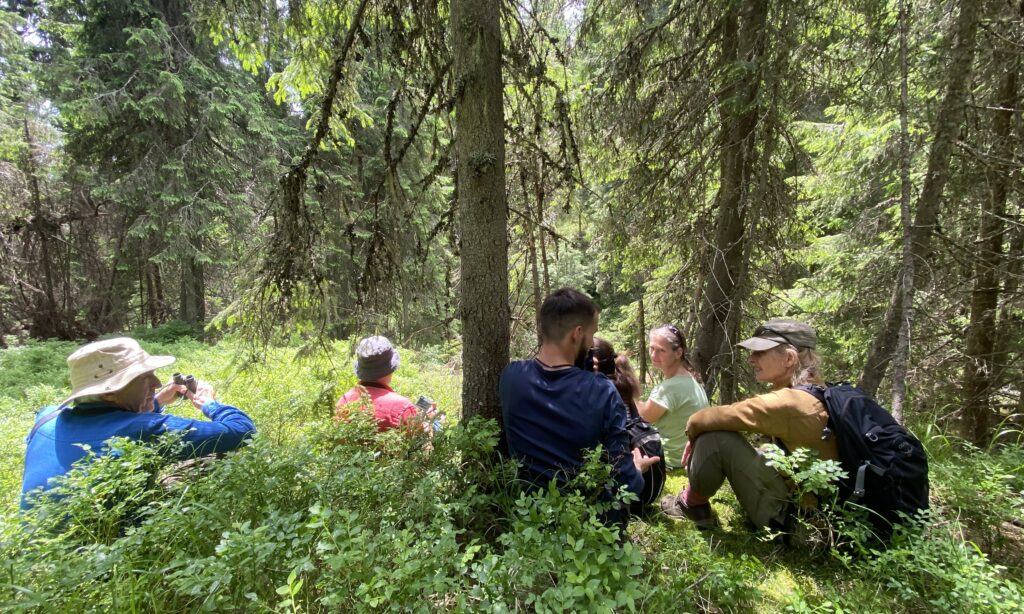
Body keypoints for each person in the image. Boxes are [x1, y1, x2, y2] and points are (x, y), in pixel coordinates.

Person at [21, 337, 256, 508]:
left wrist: (152, 401)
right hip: (109, 559)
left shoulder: (46, 418)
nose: (156, 382)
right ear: (110, 392)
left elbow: (103, 422)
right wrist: (209, 404)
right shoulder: (143, 430)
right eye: (144, 378)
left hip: (38, 557)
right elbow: (242, 431)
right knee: (217, 458)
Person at [500, 288, 660, 525]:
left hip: (528, 518)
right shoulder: (602, 391)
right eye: (591, 334)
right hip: (588, 525)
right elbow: (626, 484)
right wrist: (638, 469)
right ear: (577, 334)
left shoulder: (511, 376)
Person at [660, 318, 838, 531]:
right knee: (759, 449)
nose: (752, 359)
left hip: (796, 523)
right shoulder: (819, 392)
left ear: (789, 358)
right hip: (817, 515)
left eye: (760, 352)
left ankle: (690, 504)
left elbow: (704, 419)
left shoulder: (789, 402)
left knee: (715, 439)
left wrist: (694, 433)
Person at [636, 324, 709, 471]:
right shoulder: (690, 379)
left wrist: (625, 391)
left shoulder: (669, 388)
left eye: (661, 350)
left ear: (678, 353)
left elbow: (642, 418)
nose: (653, 355)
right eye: (652, 348)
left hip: (671, 461)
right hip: (690, 457)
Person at [335, 335, 431, 433]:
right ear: (391, 369)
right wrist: (432, 423)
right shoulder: (403, 407)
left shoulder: (344, 401)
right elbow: (420, 442)